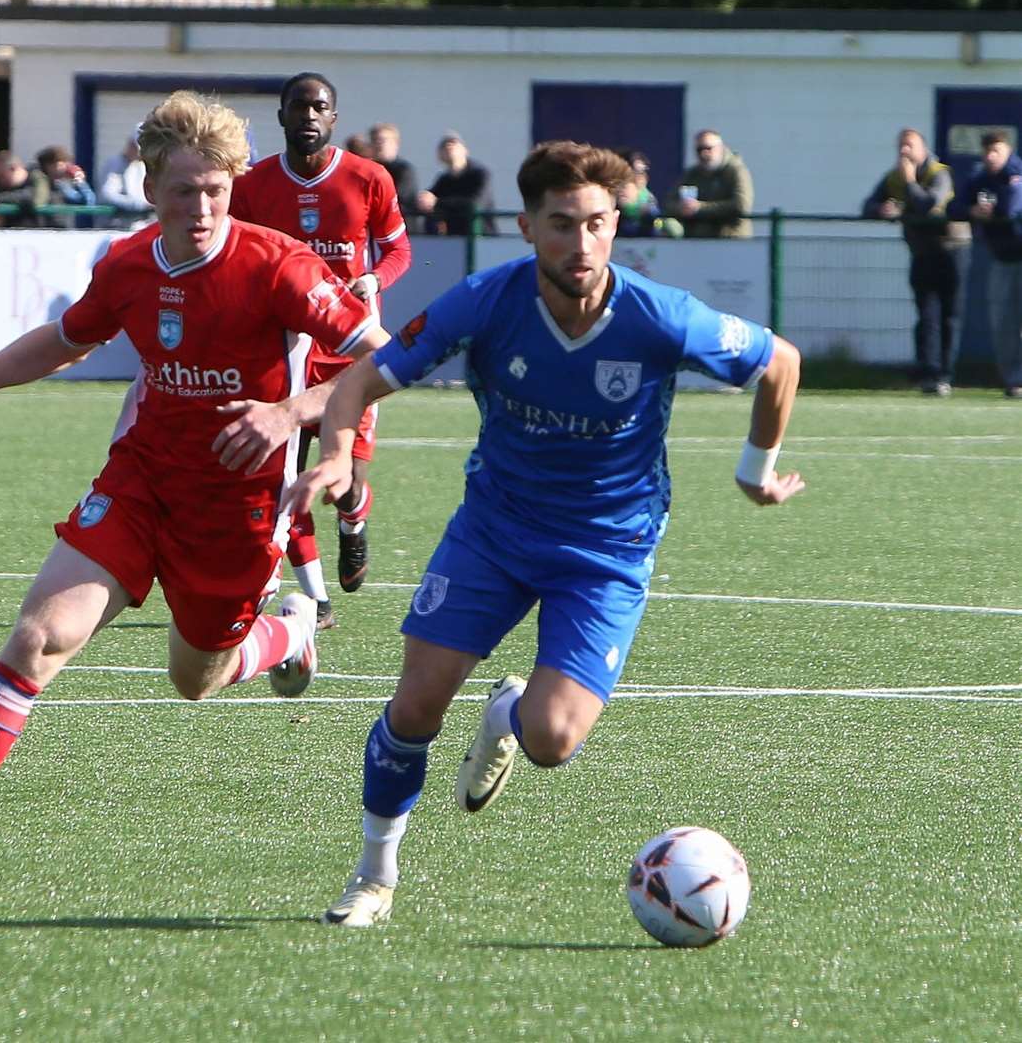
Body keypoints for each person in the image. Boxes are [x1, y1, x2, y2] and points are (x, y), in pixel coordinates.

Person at [0, 89, 389, 897]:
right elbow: (67, 340)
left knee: (196, 680)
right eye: (184, 190)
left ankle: (289, 636)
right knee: (38, 638)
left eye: (216, 190)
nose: (203, 207)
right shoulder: (130, 264)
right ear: (150, 190)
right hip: (140, 484)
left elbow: (379, 358)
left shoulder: (278, 265)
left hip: (238, 510)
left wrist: (293, 413)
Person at [285, 141, 804, 927]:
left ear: (615, 225)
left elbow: (779, 361)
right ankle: (373, 877)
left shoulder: (659, 316)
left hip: (606, 551)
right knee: (417, 704)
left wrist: (753, 468)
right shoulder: (484, 302)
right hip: (494, 530)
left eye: (596, 223)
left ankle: (507, 716)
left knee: (553, 740)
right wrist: (334, 458)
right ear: (527, 228)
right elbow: (361, 377)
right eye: (561, 225)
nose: (581, 243)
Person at [115, 72, 412, 628]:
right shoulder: (249, 185)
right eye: (297, 107)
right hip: (287, 350)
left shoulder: (369, 178)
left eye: (318, 107)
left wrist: (374, 279)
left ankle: (353, 522)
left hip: (349, 349)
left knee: (346, 484)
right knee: (287, 477)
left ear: (333, 117)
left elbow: (398, 251)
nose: (307, 116)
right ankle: (315, 600)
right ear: (280, 116)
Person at [863, 129, 963, 396]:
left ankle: (945, 373)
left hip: (951, 251)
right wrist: (881, 210)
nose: (904, 152)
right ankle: (928, 372)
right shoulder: (893, 177)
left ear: (923, 148)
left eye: (910, 146)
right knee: (927, 314)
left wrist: (909, 183)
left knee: (949, 316)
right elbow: (867, 205)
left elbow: (929, 204)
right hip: (920, 252)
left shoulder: (939, 173)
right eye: (901, 147)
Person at [950, 131, 1022, 398]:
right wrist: (971, 211)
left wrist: (992, 210)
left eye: (997, 151)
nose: (991, 157)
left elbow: (1012, 207)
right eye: (988, 151)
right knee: (1002, 322)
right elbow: (954, 208)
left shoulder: (1016, 175)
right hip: (1002, 259)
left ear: (1008, 151)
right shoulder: (980, 179)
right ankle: (1014, 380)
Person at [662, 130, 754, 239]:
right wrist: (681, 208)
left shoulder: (737, 171)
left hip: (731, 241)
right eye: (699, 149)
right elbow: (668, 202)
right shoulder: (692, 174)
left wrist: (700, 208)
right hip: (698, 243)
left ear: (721, 148)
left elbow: (741, 206)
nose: (704, 153)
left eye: (708, 148)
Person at [416, 131, 497, 237]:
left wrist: (438, 203)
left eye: (454, 142)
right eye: (444, 145)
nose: (449, 146)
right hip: (453, 240)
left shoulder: (480, 174)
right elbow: (430, 198)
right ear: (439, 155)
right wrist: (423, 200)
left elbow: (475, 203)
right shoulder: (444, 180)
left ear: (465, 150)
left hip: (481, 240)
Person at [369, 122, 421, 233]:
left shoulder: (404, 170)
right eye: (374, 140)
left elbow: (398, 198)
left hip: (400, 230)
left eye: (383, 140)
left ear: (395, 144)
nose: (378, 144)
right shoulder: (367, 170)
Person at [97, 135, 151, 229]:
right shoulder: (114, 164)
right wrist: (140, 204)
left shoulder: (141, 166)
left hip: (140, 224)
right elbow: (107, 195)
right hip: (117, 225)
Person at [35, 144, 96, 228]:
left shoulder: (61, 186)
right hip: (37, 230)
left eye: (64, 164)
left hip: (59, 231)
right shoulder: (37, 182)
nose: (63, 168)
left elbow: (87, 201)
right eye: (58, 165)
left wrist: (80, 182)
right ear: (47, 166)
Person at [0, 150, 49, 227]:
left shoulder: (38, 180)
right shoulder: (1, 188)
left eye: (1, 176)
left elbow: (33, 199)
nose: (0, 181)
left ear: (13, 168)